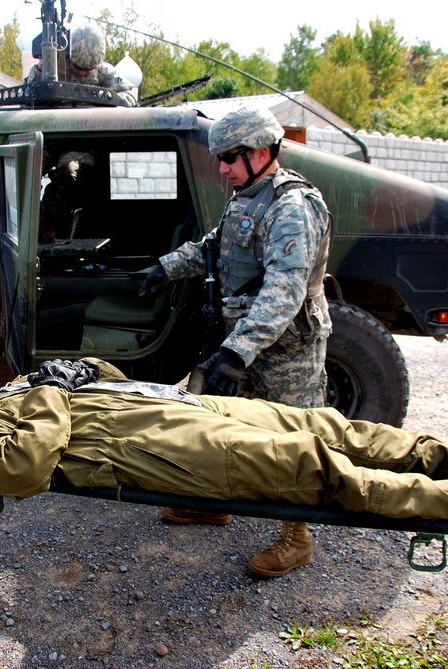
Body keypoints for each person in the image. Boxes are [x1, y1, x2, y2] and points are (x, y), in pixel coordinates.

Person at [0, 358, 448, 527]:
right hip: (169, 452)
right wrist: (54, 391)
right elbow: (22, 468)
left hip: (183, 408)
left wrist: (80, 371)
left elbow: (105, 384)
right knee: (315, 465)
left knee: (324, 424)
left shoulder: (16, 385)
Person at [139, 106, 333, 577]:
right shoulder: (247, 198)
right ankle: (211, 503)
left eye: (229, 157)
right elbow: (213, 246)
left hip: (285, 352)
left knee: (289, 442)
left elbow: (284, 292)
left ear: (262, 152)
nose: (222, 168)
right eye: (220, 157)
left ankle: (296, 537)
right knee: (215, 425)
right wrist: (165, 268)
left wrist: (234, 354)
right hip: (243, 343)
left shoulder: (291, 207)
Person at [24, 24, 138, 107]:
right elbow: (27, 93)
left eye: (88, 70)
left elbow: (130, 93)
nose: (82, 73)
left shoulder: (103, 71)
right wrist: (40, 71)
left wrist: (104, 98)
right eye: (77, 67)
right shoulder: (52, 70)